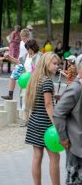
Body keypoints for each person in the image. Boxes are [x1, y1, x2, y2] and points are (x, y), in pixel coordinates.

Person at [25, 52, 60, 185]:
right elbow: (48, 104)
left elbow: (43, 100)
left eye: (58, 64)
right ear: (46, 63)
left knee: (37, 156)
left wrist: (53, 96)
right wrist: (55, 124)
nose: (57, 66)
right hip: (45, 124)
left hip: (34, 121)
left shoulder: (36, 79)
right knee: (55, 157)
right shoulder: (47, 82)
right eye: (54, 64)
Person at [54, 54, 82, 185]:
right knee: (74, 181)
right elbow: (58, 113)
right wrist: (63, 138)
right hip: (76, 147)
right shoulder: (76, 88)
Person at [18, 40, 42, 127]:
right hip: (25, 82)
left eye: (28, 49)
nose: (27, 51)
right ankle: (25, 120)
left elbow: (40, 69)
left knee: (34, 101)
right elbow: (19, 63)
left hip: (34, 82)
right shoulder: (25, 56)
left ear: (32, 48)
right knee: (24, 100)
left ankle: (33, 120)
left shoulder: (39, 56)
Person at [1, 29, 30, 100]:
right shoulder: (21, 43)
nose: (22, 38)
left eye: (23, 37)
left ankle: (27, 96)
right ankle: (10, 95)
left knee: (25, 81)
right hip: (19, 62)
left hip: (26, 62)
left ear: (26, 36)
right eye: (21, 36)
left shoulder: (29, 43)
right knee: (12, 77)